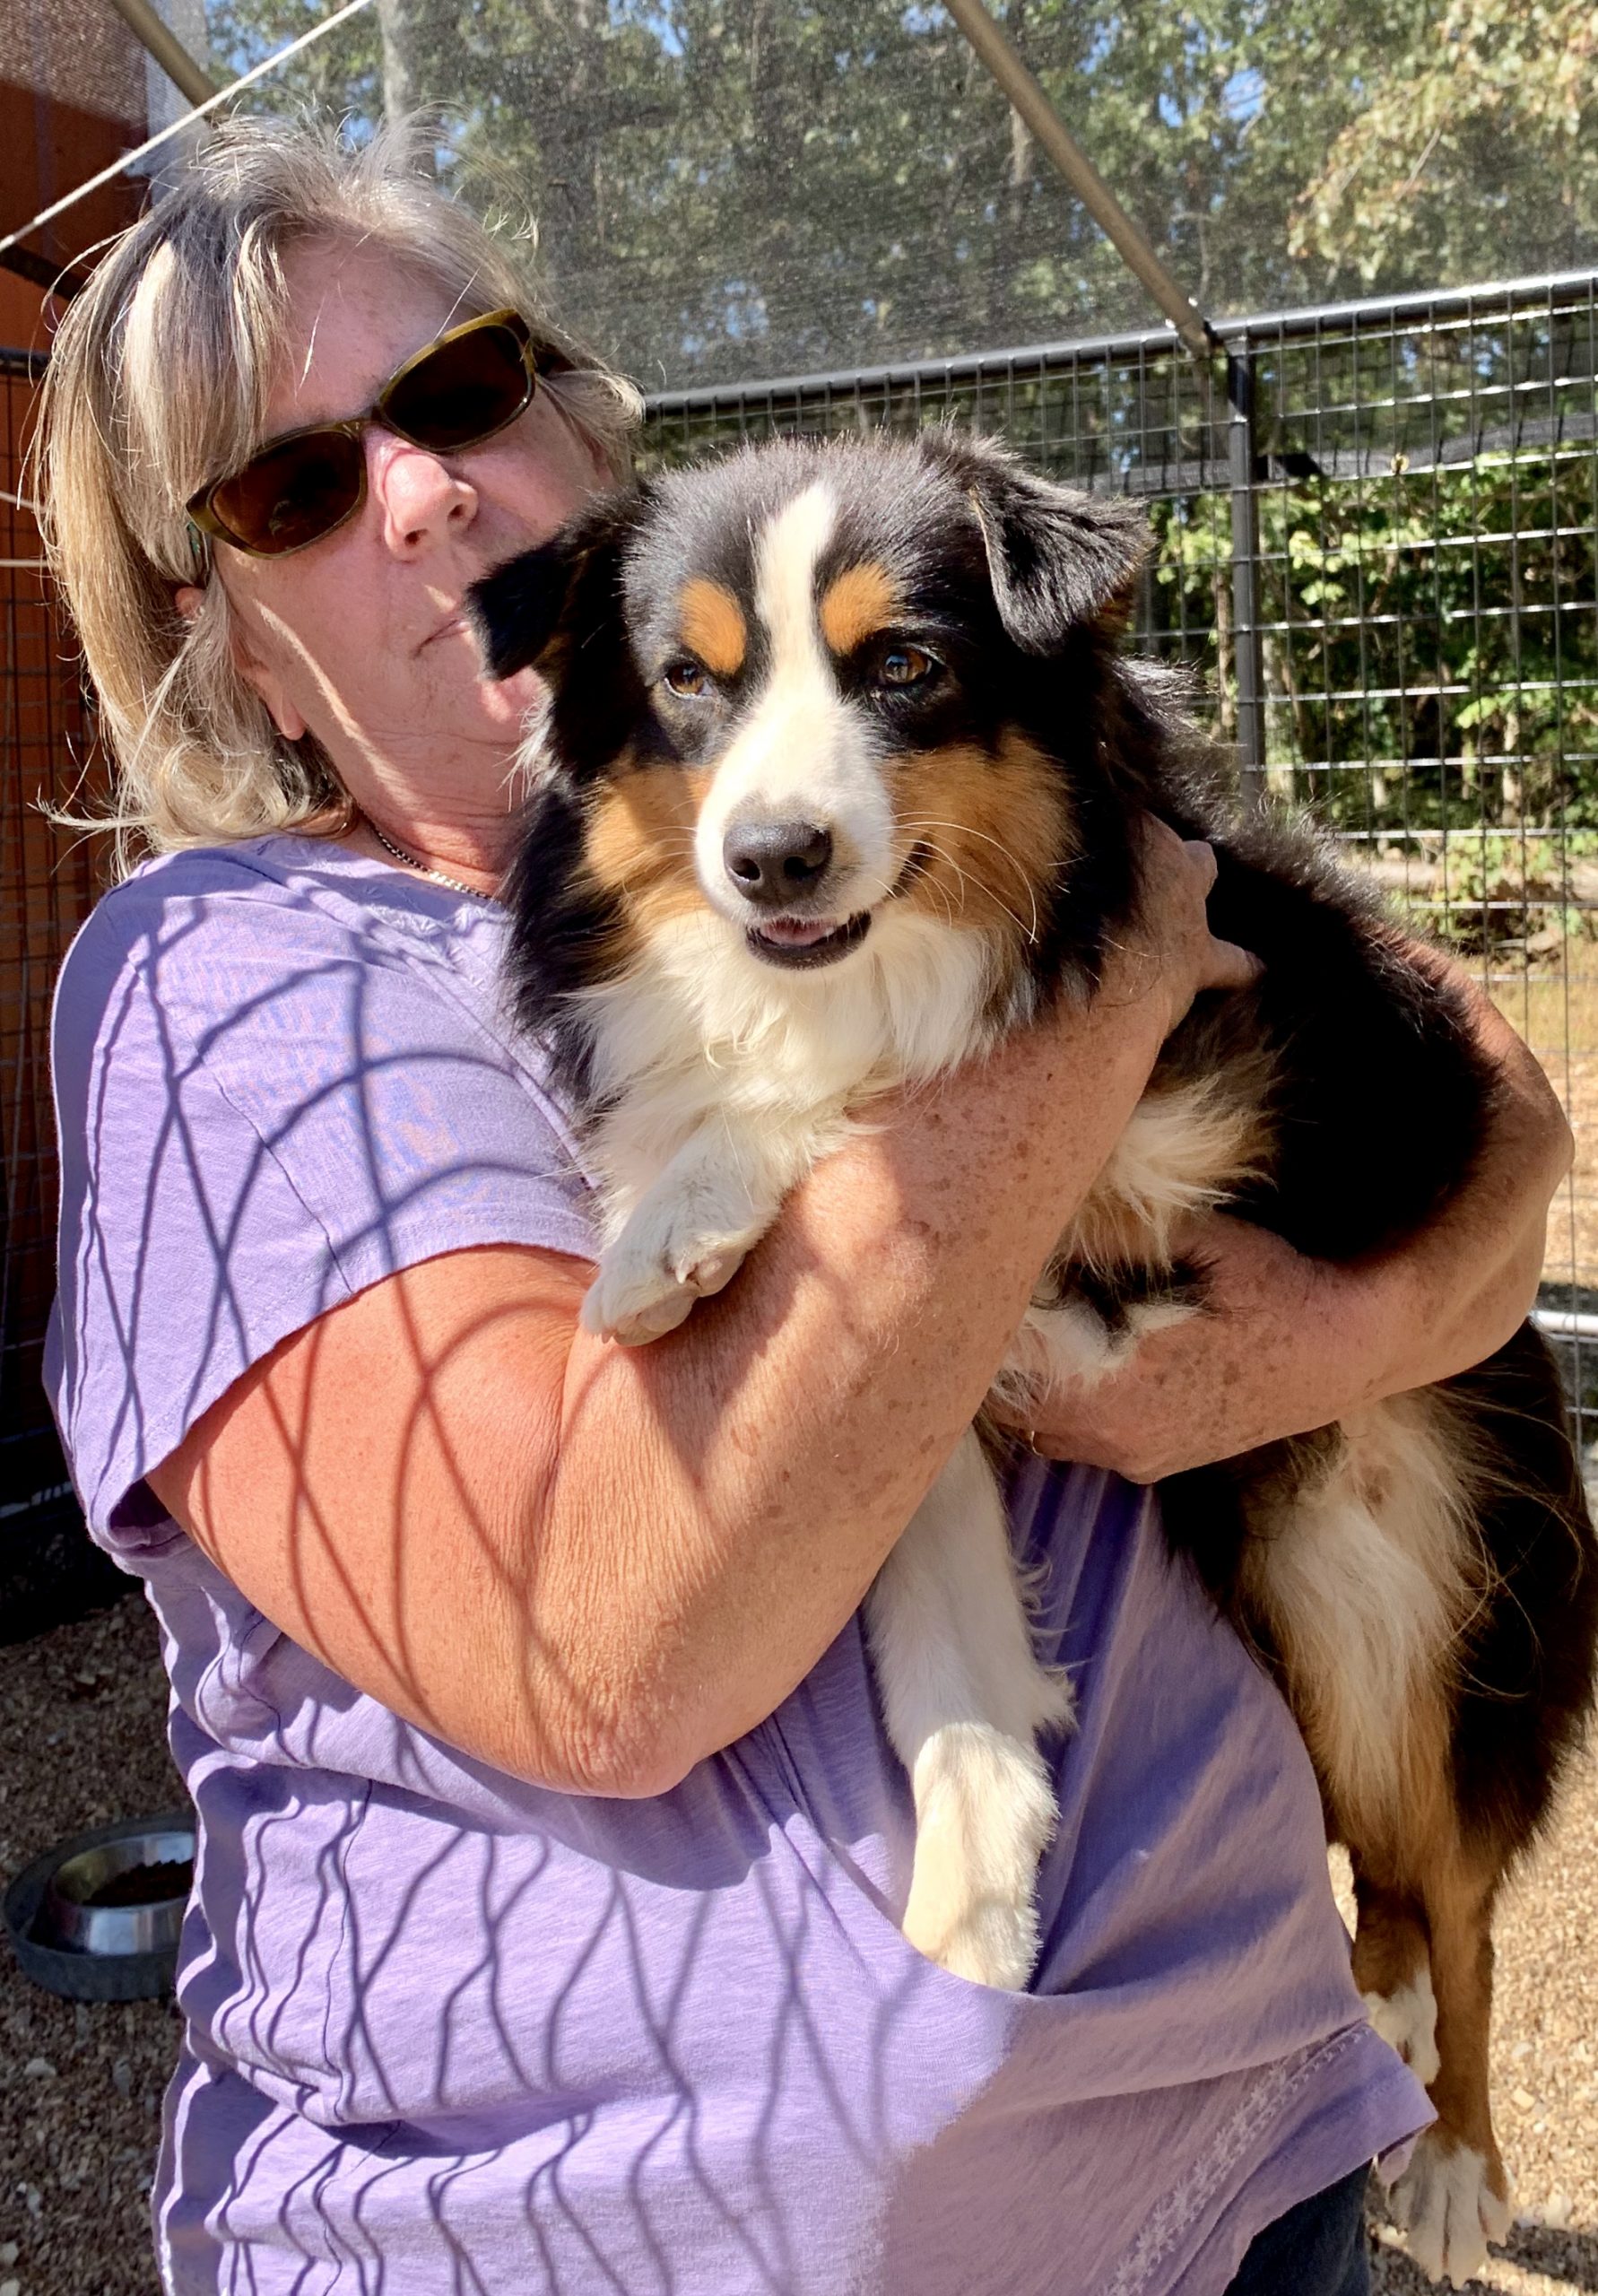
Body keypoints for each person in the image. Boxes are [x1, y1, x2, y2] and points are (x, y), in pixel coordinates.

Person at [38, 119, 1567, 2296]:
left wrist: (1336, 1335)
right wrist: (1114, 971)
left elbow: (1493, 1099)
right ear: (227, 645)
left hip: (1240, 2145)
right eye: (291, 487)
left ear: (568, 421)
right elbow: (600, 1646)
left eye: (459, 392)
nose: (422, 489)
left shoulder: (936, 827)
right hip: (602, 2240)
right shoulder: (227, 992)